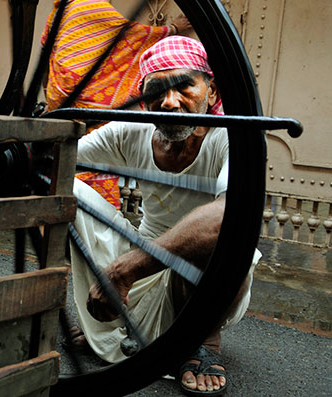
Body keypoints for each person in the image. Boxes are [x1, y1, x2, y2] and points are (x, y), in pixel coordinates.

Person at [70, 36, 260, 396]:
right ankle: (121, 325)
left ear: (212, 89)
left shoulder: (229, 137)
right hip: (142, 275)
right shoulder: (132, 131)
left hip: (202, 285)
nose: (170, 103)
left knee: (231, 238)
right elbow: (57, 158)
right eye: (157, 90)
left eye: (184, 85)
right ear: (143, 96)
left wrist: (123, 269)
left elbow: (227, 216)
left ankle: (206, 340)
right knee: (63, 189)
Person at [40, 0, 194, 208]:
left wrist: (51, 94)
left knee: (67, 164)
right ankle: (94, 216)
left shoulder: (57, 12)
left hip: (62, 106)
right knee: (94, 166)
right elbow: (130, 36)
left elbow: (49, 56)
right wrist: (173, 29)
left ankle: (61, 208)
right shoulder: (91, 6)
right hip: (91, 108)